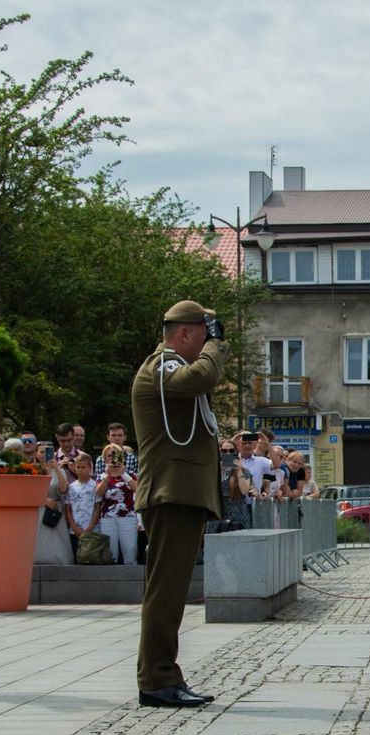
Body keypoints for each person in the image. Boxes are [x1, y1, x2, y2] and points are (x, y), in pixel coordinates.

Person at [131, 299, 227, 708]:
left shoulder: (171, 368)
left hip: (181, 495)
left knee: (170, 593)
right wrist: (217, 347)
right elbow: (202, 376)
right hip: (170, 494)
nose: (210, 345)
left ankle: (162, 673)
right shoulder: (162, 367)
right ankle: (156, 678)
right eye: (204, 336)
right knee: (165, 594)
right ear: (185, 333)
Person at [96, 443, 139, 564]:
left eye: (116, 455)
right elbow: (99, 493)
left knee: (130, 550)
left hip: (128, 517)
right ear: (104, 459)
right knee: (110, 552)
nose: (113, 458)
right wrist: (108, 476)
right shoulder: (102, 476)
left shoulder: (130, 475)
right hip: (108, 518)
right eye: (109, 456)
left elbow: (138, 490)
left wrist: (123, 473)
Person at [33, 443, 73, 565]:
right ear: (36, 454)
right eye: (41, 452)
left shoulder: (59, 470)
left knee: (57, 540)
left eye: (48, 451)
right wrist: (44, 499)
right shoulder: (32, 470)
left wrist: (56, 469)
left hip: (56, 508)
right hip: (38, 508)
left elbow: (63, 489)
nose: (45, 454)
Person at [64, 453, 100, 559]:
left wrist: (91, 527)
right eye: (78, 467)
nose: (80, 470)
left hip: (92, 530)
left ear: (90, 467)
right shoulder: (71, 487)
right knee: (76, 557)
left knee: (91, 558)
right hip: (75, 531)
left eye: (83, 467)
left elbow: (97, 508)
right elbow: (68, 509)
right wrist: (74, 527)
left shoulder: (95, 486)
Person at [215, 440, 252, 530]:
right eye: (224, 451)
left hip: (238, 512)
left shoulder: (244, 471)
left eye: (231, 451)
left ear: (236, 452)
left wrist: (238, 470)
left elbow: (244, 490)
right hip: (219, 512)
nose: (228, 453)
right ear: (220, 452)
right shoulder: (214, 470)